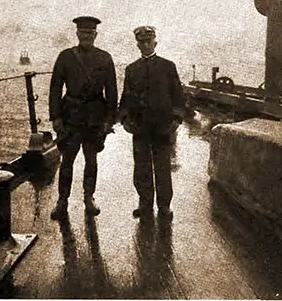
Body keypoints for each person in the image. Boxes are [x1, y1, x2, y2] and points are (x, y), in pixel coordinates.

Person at [49, 16, 118, 220]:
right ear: (77, 34)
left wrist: (109, 119)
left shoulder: (105, 58)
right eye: (83, 32)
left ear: (95, 35)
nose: (87, 36)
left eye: (90, 33)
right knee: (67, 161)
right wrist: (56, 117)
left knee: (91, 159)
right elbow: (55, 88)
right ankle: (62, 201)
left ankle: (89, 198)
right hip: (71, 116)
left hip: (95, 117)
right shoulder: (65, 57)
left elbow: (112, 91)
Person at [118, 25, 185, 218]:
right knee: (141, 167)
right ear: (137, 45)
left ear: (155, 42)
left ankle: (164, 205)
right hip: (140, 127)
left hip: (163, 127)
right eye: (142, 42)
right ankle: (145, 203)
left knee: (163, 166)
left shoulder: (168, 66)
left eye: (149, 41)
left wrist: (176, 119)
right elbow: (126, 98)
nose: (146, 45)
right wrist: (124, 119)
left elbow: (178, 96)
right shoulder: (132, 70)